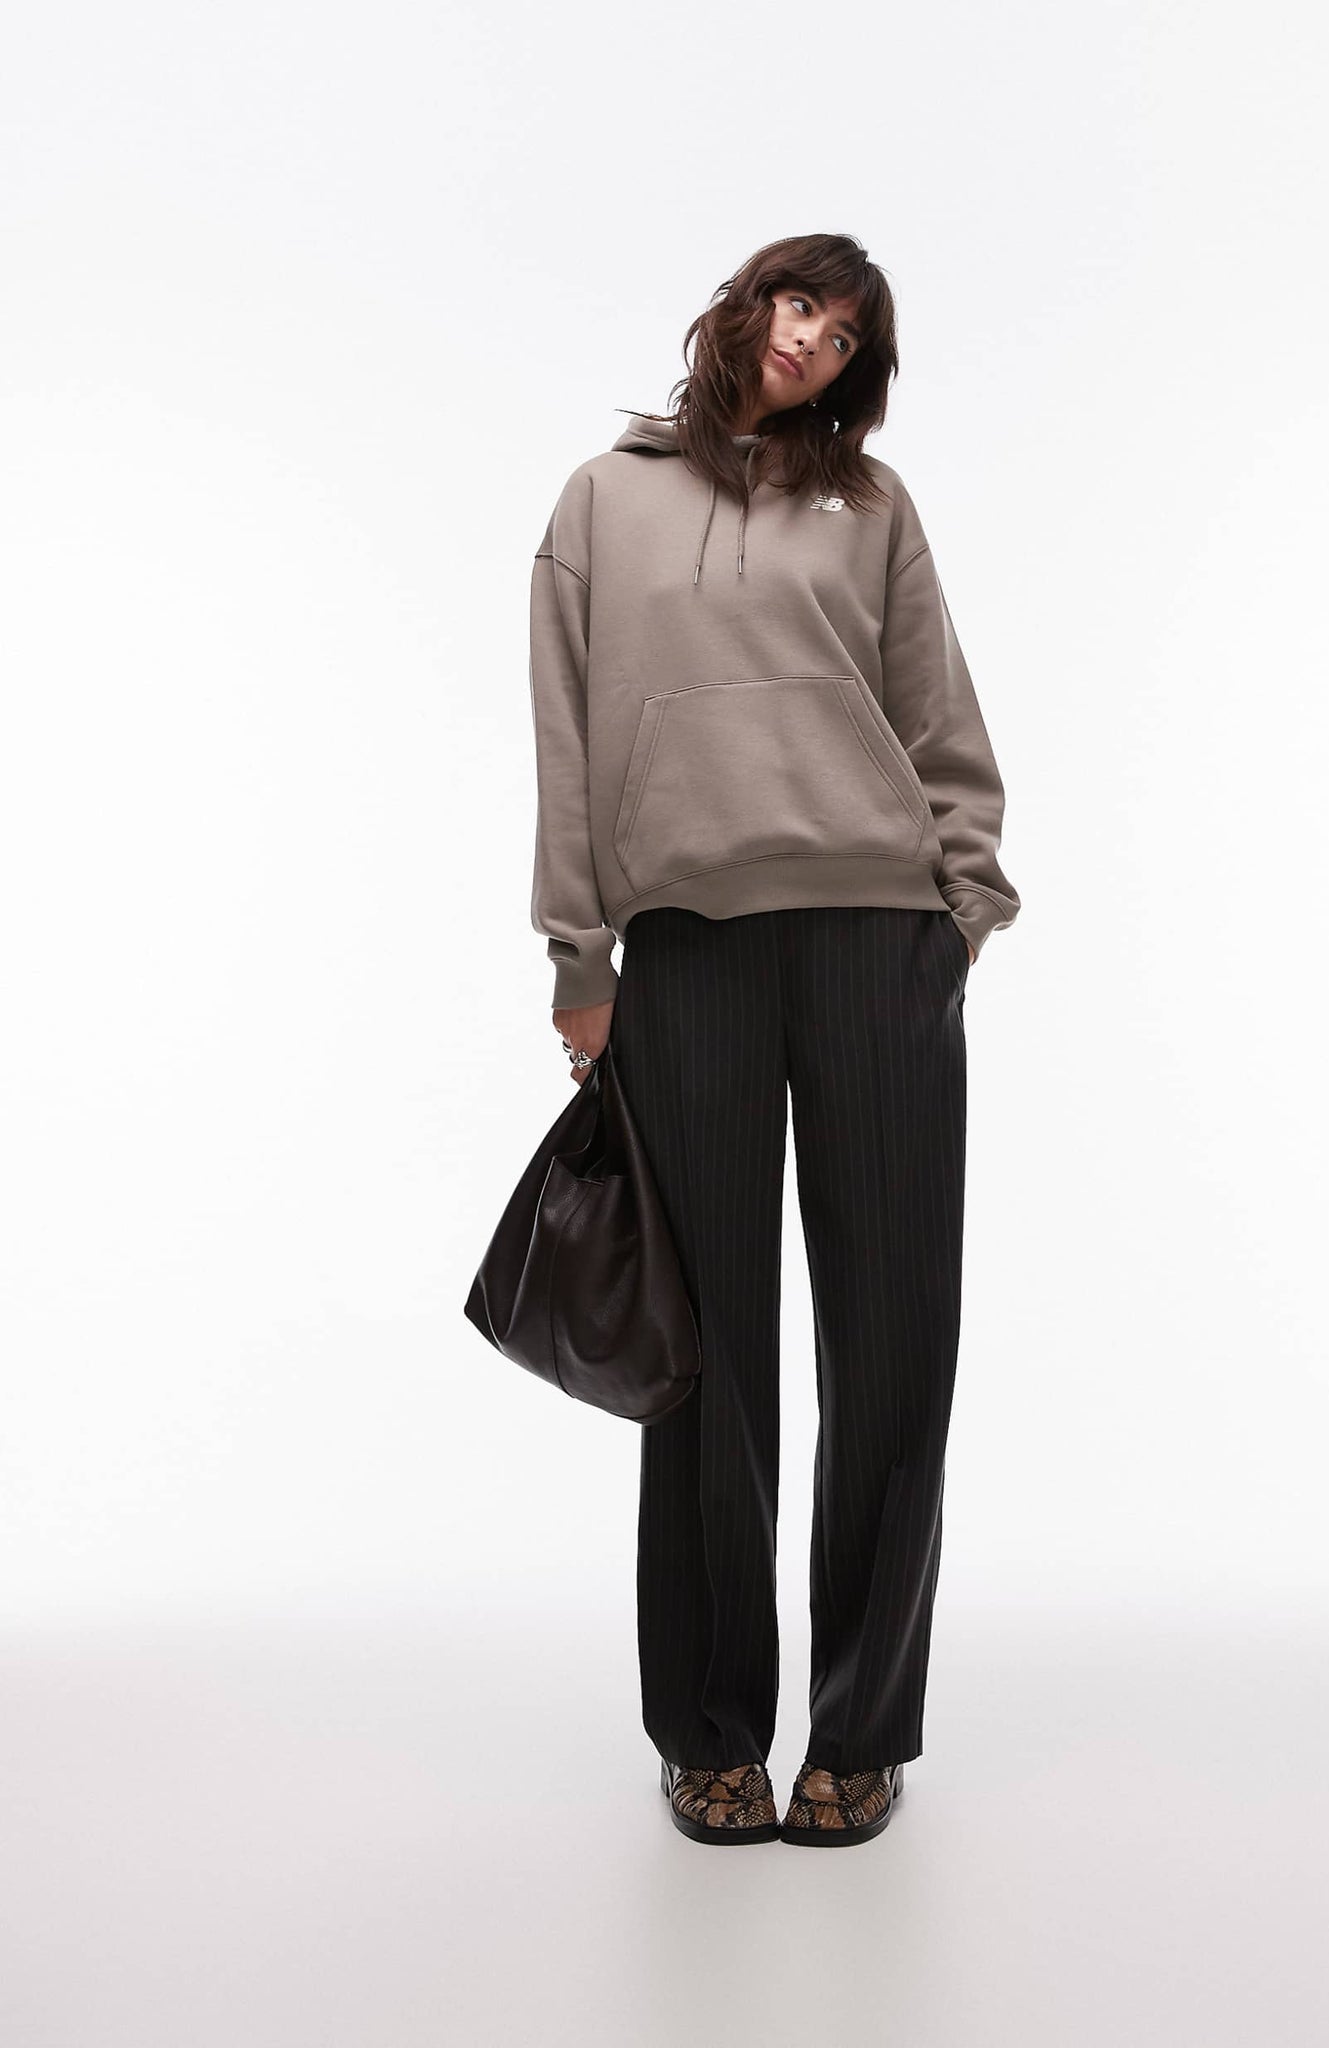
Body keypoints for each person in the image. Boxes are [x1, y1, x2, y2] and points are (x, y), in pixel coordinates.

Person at [524, 232, 1021, 1846]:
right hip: (687, 950)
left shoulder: (869, 508)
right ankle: (710, 1731)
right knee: (705, 1355)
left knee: (892, 1340)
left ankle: (860, 1731)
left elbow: (937, 719)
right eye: (799, 302)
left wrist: (958, 910)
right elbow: (564, 735)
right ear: (744, 308)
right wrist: (580, 951)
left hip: (878, 940)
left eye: (847, 331)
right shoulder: (602, 502)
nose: (813, 338)